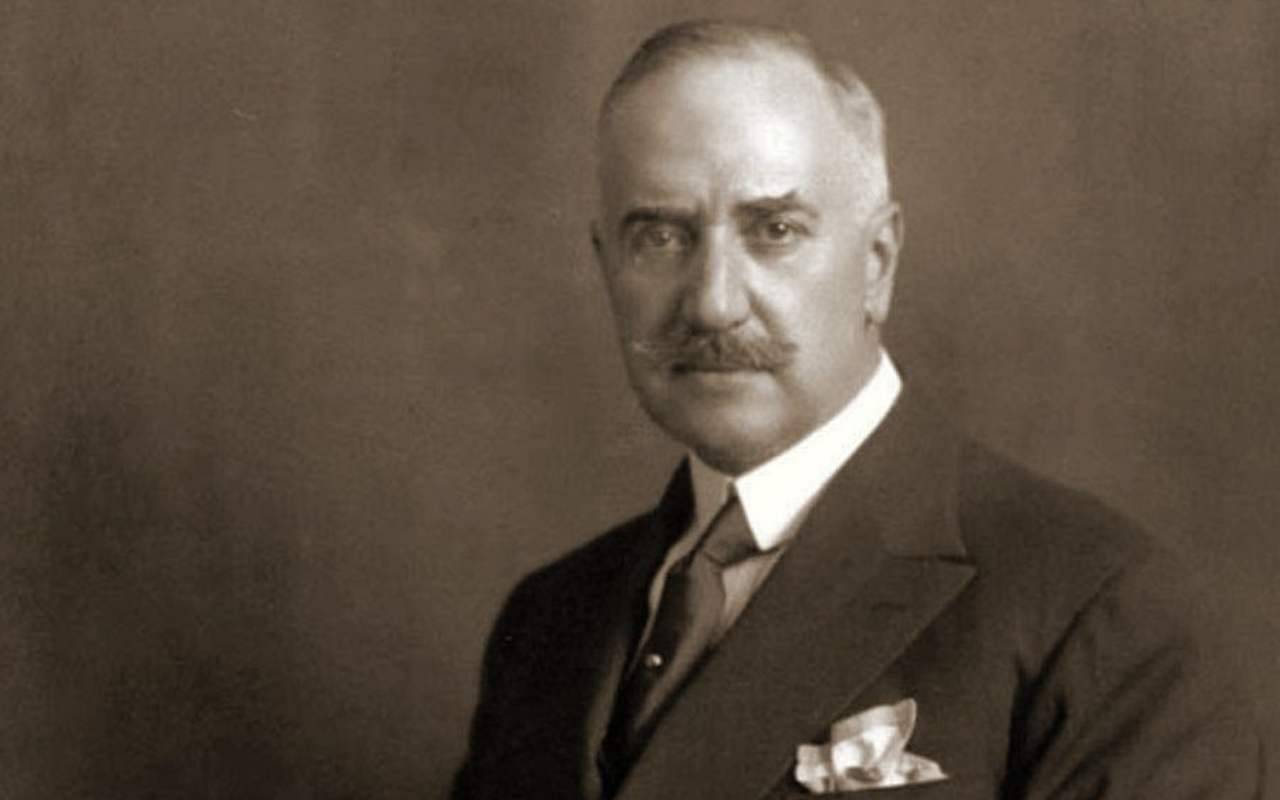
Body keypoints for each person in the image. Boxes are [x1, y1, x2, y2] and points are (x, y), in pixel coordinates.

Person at [452, 19, 1263, 800]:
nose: (712, 302)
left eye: (774, 230)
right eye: (660, 238)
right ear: (605, 266)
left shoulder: (1102, 613)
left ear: (877, 262)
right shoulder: (551, 623)